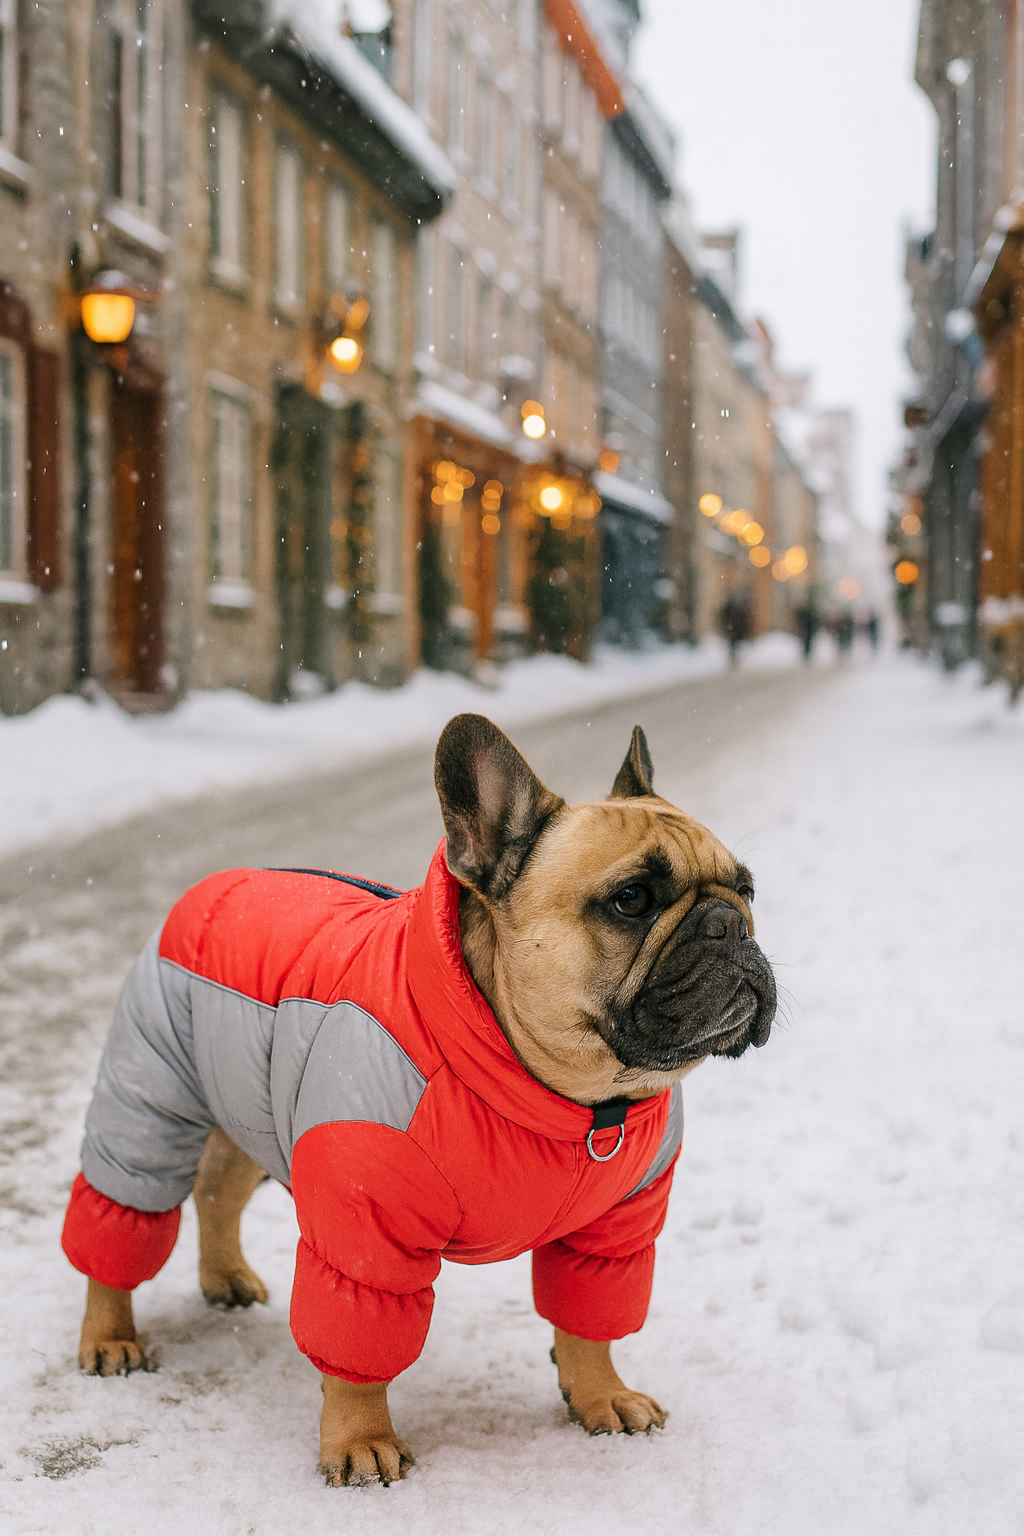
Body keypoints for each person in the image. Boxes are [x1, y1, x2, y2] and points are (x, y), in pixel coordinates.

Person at [719, 587, 752, 668]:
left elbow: (724, 617)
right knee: (734, 644)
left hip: (733, 629)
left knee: (734, 644)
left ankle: (734, 658)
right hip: (734, 629)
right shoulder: (734, 609)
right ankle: (734, 658)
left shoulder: (733, 609)